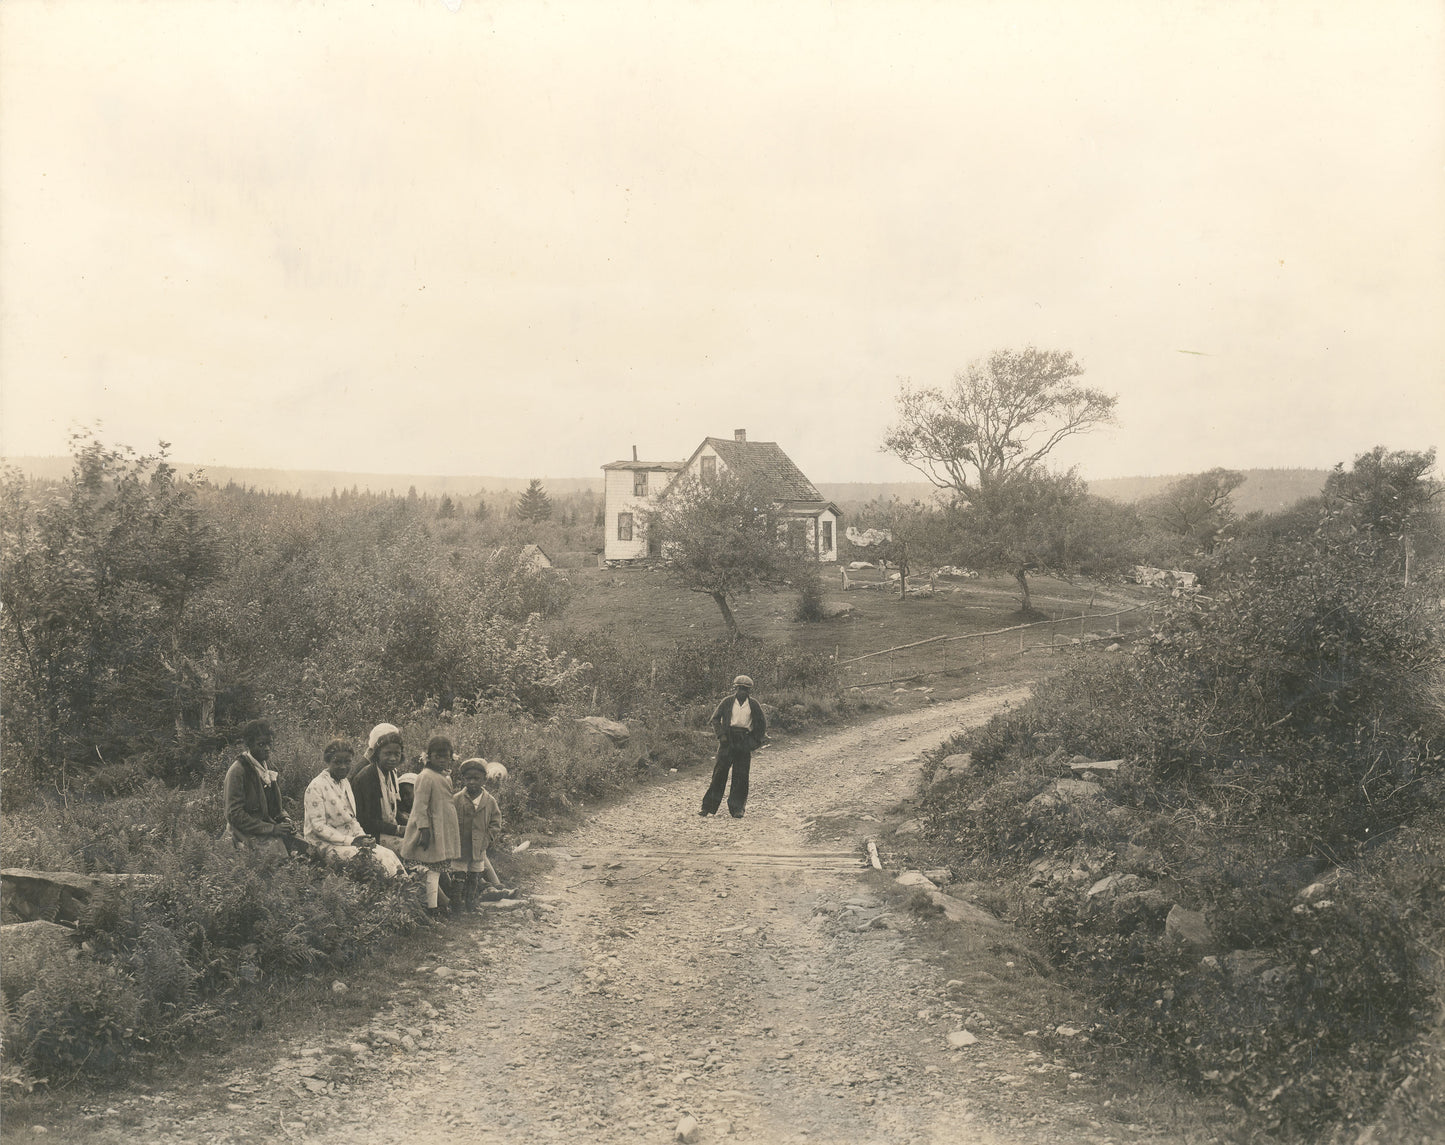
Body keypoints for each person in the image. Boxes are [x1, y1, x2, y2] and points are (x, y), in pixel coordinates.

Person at [303, 740, 404, 877]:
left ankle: (404, 889)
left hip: (350, 839)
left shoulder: (345, 783)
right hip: (325, 844)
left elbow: (352, 819)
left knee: (388, 854)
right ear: (328, 761)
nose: (343, 767)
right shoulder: (316, 786)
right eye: (337, 762)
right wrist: (351, 841)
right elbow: (318, 827)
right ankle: (395, 890)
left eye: (347, 762)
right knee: (378, 859)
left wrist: (362, 837)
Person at [224, 719, 306, 856]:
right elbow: (234, 815)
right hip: (246, 832)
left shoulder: (265, 767)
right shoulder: (238, 771)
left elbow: (274, 807)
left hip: (269, 826)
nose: (267, 748)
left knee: (307, 850)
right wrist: (271, 829)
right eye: (261, 744)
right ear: (249, 745)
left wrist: (285, 819)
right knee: (281, 859)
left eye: (269, 744)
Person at [401, 735, 463, 917]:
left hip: (442, 829)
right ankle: (432, 907)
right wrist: (424, 830)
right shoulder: (425, 776)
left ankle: (436, 905)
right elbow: (420, 806)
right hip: (430, 830)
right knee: (431, 871)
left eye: (446, 756)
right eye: (438, 756)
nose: (443, 760)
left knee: (436, 870)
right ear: (428, 756)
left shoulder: (445, 776)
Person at [700, 675, 767, 818]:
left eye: (746, 689)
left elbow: (761, 724)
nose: (742, 691)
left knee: (741, 775)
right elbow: (715, 719)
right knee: (719, 773)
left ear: (749, 691)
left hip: (744, 740)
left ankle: (737, 809)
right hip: (727, 740)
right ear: (735, 688)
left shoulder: (753, 704)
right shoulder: (727, 702)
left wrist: (754, 742)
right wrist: (721, 736)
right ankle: (708, 807)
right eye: (740, 688)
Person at [451, 759, 505, 910]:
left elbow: (495, 822)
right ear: (463, 779)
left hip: (479, 845)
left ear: (484, 779)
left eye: (476, 778)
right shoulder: (457, 799)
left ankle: (471, 903)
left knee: (475, 874)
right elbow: (449, 821)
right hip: (460, 845)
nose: (472, 782)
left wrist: (487, 838)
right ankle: (456, 904)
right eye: (468, 778)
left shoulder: (489, 801)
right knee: (458, 874)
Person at [350, 723, 407, 853]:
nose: (392, 759)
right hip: (371, 835)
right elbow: (366, 820)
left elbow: (393, 809)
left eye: (396, 754)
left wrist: (407, 824)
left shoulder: (391, 773)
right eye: (387, 754)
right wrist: (397, 829)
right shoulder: (367, 777)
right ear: (377, 754)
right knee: (416, 848)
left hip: (386, 829)